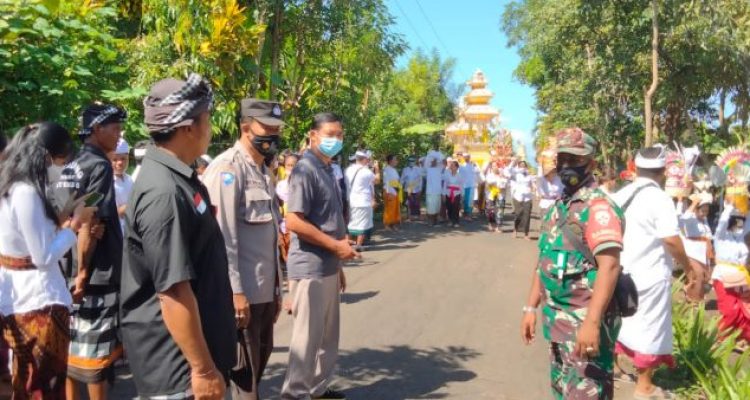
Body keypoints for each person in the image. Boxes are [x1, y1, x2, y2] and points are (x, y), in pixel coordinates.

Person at [120, 73, 235, 399]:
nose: (210, 128)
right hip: (179, 369)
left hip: (193, 357)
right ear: (188, 128)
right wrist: (203, 369)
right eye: (207, 119)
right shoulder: (164, 192)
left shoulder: (179, 178)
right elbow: (173, 291)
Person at [520, 127, 624, 400]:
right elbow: (543, 260)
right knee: (562, 393)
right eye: (562, 159)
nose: (566, 166)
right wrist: (530, 307)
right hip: (557, 325)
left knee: (586, 393)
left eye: (574, 160)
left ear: (591, 164)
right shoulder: (559, 207)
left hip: (583, 326)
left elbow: (610, 266)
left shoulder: (598, 209)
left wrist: (592, 322)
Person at [0, 122, 96, 399]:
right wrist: (75, 225)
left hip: (19, 298)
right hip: (38, 300)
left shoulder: (10, 185)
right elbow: (42, 256)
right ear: (45, 157)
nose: (60, 168)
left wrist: (63, 218)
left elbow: (26, 238)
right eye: (61, 160)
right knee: (43, 384)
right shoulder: (26, 191)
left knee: (26, 381)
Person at [202, 98, 285, 400]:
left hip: (264, 291)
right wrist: (235, 291)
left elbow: (269, 236)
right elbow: (222, 237)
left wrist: (277, 288)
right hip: (243, 295)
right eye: (267, 128)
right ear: (245, 127)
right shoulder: (228, 168)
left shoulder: (263, 170)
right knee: (244, 379)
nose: (273, 134)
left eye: (276, 129)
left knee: (257, 368)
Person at [281, 113, 358, 400]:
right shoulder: (305, 169)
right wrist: (336, 247)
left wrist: (337, 264)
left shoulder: (327, 169)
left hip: (328, 266)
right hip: (310, 267)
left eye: (340, 135)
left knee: (327, 337)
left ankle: (316, 389)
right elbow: (294, 221)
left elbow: (329, 220)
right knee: (307, 340)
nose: (336, 140)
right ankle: (295, 394)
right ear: (313, 136)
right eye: (330, 134)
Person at [54, 103, 126, 399]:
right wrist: (83, 273)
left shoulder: (71, 163)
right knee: (95, 356)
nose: (119, 134)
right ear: (97, 129)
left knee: (72, 350)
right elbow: (90, 221)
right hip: (93, 274)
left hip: (62, 266)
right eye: (115, 128)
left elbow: (64, 215)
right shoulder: (99, 166)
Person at [613, 145, 690, 400]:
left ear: (635, 168)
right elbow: (670, 239)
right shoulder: (660, 199)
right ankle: (644, 386)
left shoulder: (621, 194)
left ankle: (614, 367)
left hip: (620, 271)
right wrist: (689, 268)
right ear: (663, 171)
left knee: (620, 320)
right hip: (649, 274)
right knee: (650, 328)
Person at [711, 202, 750, 343]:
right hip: (723, 275)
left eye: (740, 220)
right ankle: (720, 338)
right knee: (730, 310)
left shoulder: (742, 238)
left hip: (740, 276)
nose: (738, 222)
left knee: (745, 310)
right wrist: (732, 205)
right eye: (736, 219)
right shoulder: (721, 237)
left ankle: (743, 337)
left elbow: (747, 224)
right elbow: (722, 221)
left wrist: (746, 206)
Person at [680, 193, 715, 302]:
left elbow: (709, 235)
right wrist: (694, 203)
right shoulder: (690, 219)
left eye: (706, 211)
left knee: (705, 277)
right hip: (693, 251)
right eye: (702, 211)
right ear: (696, 209)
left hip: (704, 250)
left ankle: (696, 296)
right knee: (697, 274)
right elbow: (684, 218)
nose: (705, 213)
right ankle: (692, 298)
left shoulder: (704, 220)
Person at [345, 150, 380, 251]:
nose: (369, 161)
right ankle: (358, 245)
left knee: (351, 223)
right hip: (363, 202)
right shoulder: (366, 172)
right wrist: (377, 169)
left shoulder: (348, 170)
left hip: (351, 201)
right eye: (368, 159)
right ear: (364, 159)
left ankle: (348, 244)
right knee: (362, 224)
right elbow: (377, 180)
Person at [111, 138, 133, 234]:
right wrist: (135, 204)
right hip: (118, 232)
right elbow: (115, 213)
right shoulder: (109, 182)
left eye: (123, 159)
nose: (120, 163)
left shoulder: (129, 179)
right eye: (115, 159)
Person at [508, 160, 534, 239]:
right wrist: (513, 161)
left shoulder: (529, 175)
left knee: (527, 215)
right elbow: (508, 170)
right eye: (521, 165)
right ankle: (515, 229)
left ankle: (526, 234)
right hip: (518, 196)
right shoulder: (515, 174)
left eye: (524, 165)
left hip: (528, 196)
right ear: (518, 166)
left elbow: (532, 184)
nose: (523, 167)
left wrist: (535, 191)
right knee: (518, 214)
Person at [484, 163, 506, 232]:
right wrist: (496, 181)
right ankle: (491, 224)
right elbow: (489, 183)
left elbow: (504, 185)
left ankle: (498, 226)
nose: (495, 167)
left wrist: (501, 178)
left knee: (500, 211)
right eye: (493, 166)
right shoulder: (489, 175)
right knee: (490, 210)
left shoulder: (503, 176)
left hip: (500, 195)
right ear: (491, 168)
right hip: (491, 195)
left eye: (497, 166)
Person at [424, 155, 444, 226]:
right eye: (433, 161)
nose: (434, 162)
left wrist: (437, 156)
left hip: (438, 191)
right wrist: (432, 155)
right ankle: (430, 221)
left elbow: (443, 161)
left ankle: (435, 222)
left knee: (437, 207)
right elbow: (426, 161)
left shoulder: (439, 169)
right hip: (430, 192)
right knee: (430, 207)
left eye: (435, 161)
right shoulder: (427, 169)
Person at [443, 158, 463, 228]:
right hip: (448, 193)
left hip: (456, 193)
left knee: (456, 207)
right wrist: (444, 194)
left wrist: (462, 195)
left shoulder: (459, 175)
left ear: (457, 167)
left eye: (453, 166)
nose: (452, 167)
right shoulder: (447, 175)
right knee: (449, 207)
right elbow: (445, 184)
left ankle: (456, 221)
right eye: (451, 165)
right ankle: (450, 220)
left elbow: (461, 185)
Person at [401, 157, 423, 221]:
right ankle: (409, 216)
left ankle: (418, 216)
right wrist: (400, 187)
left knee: (417, 203)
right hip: (408, 189)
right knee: (409, 203)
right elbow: (402, 179)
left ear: (415, 162)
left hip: (416, 189)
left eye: (413, 161)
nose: (411, 162)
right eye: (410, 161)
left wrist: (420, 189)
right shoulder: (405, 170)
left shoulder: (418, 169)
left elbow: (420, 180)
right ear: (408, 162)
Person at [382, 154, 401, 230]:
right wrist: (388, 192)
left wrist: (398, 187)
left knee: (395, 208)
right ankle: (387, 224)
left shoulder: (394, 170)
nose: (396, 161)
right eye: (395, 159)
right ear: (390, 161)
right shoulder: (386, 169)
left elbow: (396, 181)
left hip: (395, 190)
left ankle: (393, 224)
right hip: (389, 191)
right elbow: (386, 182)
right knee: (389, 208)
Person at [458, 153, 476, 219]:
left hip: (471, 185)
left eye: (467, 157)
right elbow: (459, 176)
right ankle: (465, 213)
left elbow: (477, 173)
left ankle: (469, 214)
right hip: (464, 185)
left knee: (470, 200)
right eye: (465, 157)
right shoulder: (462, 166)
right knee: (465, 200)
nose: (466, 158)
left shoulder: (473, 165)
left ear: (469, 157)